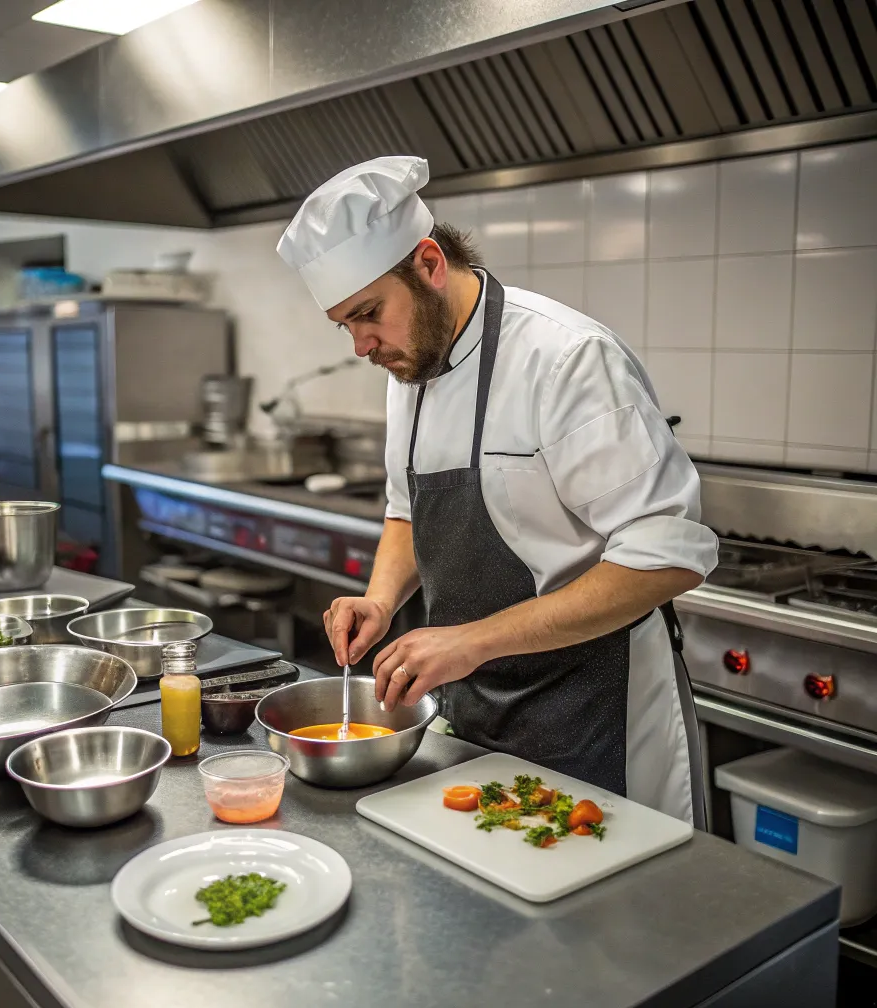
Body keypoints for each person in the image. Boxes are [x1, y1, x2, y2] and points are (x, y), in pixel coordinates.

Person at [277, 156, 719, 825]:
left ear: (429, 264)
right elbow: (408, 511)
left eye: (368, 314)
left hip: (595, 705)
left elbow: (669, 558)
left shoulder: (566, 359)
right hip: (475, 706)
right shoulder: (409, 365)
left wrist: (472, 640)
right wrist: (380, 599)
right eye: (346, 325)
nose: (362, 345)